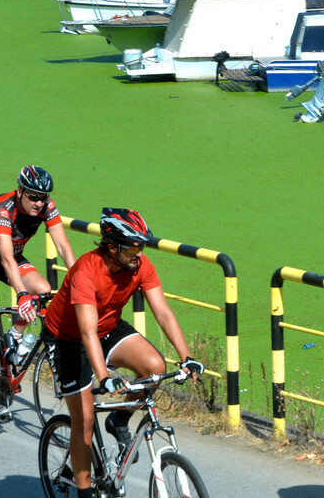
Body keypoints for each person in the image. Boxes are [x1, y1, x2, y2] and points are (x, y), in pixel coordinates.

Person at [43, 207, 203, 498]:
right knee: (84, 422)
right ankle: (83, 491)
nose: (138, 253)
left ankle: (119, 418)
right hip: (67, 338)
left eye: (140, 246)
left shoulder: (139, 266)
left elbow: (163, 313)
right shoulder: (86, 270)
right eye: (131, 247)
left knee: (154, 366)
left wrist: (186, 357)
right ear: (112, 246)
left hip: (108, 328)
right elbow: (86, 332)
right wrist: (104, 377)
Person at [0, 165, 76, 420]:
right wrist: (22, 294)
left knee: (43, 290)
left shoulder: (47, 206)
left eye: (43, 198)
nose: (38, 203)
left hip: (9, 258)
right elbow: (5, 258)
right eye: (33, 196)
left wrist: (80, 279)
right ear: (20, 191)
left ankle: (14, 336)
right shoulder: (2, 208)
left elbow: (63, 246)